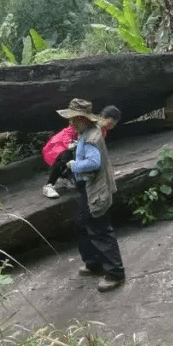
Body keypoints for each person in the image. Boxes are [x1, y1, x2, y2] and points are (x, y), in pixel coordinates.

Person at [56, 98, 126, 292]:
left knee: (100, 229)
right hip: (86, 188)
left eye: (74, 119)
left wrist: (74, 165)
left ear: (84, 119)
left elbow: (93, 163)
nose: (70, 122)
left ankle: (115, 273)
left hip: (96, 190)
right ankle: (93, 262)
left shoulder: (92, 138)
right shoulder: (86, 133)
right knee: (82, 224)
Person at [41, 105, 121, 199]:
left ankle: (66, 177)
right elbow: (68, 133)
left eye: (113, 125)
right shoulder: (87, 123)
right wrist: (71, 144)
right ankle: (49, 185)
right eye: (110, 123)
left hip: (78, 149)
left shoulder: (102, 131)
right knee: (69, 154)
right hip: (59, 145)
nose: (111, 127)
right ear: (103, 117)